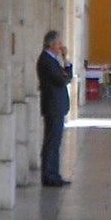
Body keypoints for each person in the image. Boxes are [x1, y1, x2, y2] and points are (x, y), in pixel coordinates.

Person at [37, 29, 73, 186]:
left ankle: (54, 174)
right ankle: (49, 176)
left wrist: (66, 60)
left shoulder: (52, 60)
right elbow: (61, 80)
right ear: (51, 44)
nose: (60, 46)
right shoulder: (46, 60)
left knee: (55, 142)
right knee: (52, 142)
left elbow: (67, 76)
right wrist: (65, 74)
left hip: (56, 107)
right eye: (58, 43)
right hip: (53, 107)